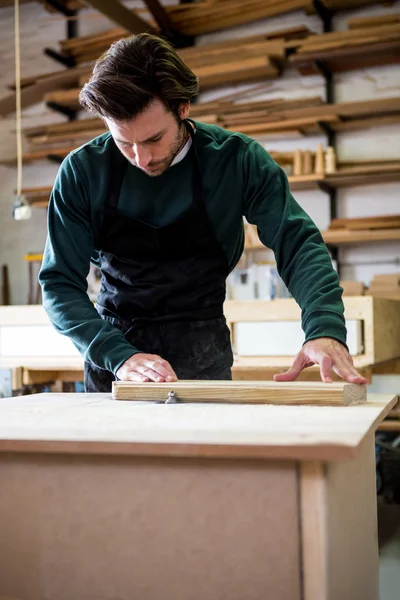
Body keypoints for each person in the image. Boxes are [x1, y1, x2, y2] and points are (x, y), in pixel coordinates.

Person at [39, 33, 367, 392]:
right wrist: (116, 355)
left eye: (153, 140)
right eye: (123, 143)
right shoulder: (82, 172)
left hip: (202, 345)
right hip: (115, 354)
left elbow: (298, 243)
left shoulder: (236, 160)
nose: (141, 158)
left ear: (183, 108)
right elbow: (58, 284)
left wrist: (323, 329)